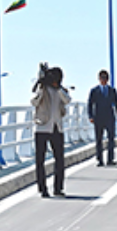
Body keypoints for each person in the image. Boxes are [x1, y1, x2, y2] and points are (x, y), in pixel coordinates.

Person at [31, 63, 71, 198]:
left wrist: (59, 88)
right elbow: (34, 102)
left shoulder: (61, 91)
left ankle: (58, 188)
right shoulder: (42, 89)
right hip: (42, 127)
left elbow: (67, 100)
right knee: (40, 160)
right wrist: (41, 86)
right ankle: (42, 189)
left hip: (57, 128)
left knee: (59, 159)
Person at [87, 69, 117, 166]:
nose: (103, 80)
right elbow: (90, 104)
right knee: (99, 139)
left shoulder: (112, 91)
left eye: (105, 78)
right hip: (98, 117)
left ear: (108, 79)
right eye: (102, 78)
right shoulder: (94, 91)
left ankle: (110, 159)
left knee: (111, 139)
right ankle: (100, 160)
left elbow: (116, 104)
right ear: (99, 79)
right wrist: (90, 116)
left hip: (110, 117)